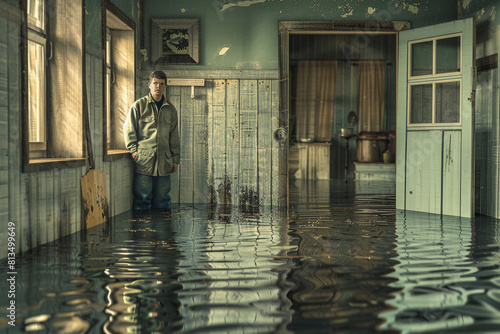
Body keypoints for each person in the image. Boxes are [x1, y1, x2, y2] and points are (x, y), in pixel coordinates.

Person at [123, 70, 180, 211]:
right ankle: (142, 231)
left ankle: (162, 231)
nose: (158, 87)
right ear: (149, 85)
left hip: (164, 162)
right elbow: (129, 128)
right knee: (142, 199)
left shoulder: (170, 110)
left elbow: (174, 135)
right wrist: (134, 151)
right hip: (144, 161)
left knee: (163, 200)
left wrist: (175, 159)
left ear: (165, 86)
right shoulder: (139, 106)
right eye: (155, 83)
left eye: (161, 84)